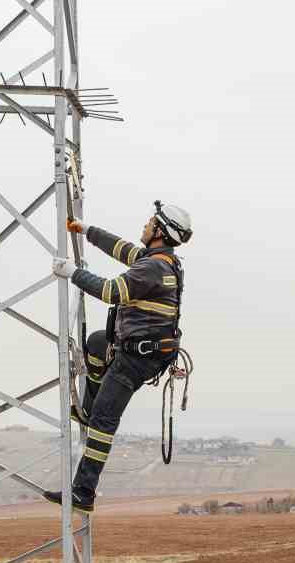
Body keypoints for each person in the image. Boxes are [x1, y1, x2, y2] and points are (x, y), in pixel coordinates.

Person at [44, 200, 192, 513]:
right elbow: (120, 249)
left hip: (137, 359)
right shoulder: (161, 261)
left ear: (160, 232)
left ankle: (84, 492)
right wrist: (86, 231)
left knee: (104, 421)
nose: (145, 225)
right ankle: (87, 407)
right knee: (98, 343)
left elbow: (112, 291)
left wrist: (72, 272)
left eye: (150, 221)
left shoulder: (153, 268)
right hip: (143, 351)